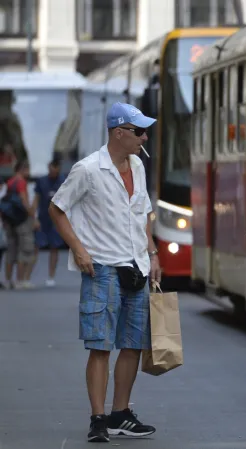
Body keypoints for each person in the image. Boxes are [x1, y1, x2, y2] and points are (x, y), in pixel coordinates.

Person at [49, 102, 162, 443]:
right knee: (100, 347)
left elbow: (142, 212)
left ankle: (120, 413)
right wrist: (79, 250)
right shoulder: (88, 169)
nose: (145, 136)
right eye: (139, 131)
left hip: (137, 266)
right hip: (102, 268)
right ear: (119, 132)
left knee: (132, 345)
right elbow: (57, 209)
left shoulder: (138, 166)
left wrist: (152, 252)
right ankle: (98, 418)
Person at [3, 160, 37, 289]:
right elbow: (24, 200)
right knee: (25, 249)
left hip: (10, 220)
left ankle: (8, 280)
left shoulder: (10, 182)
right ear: (23, 169)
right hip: (22, 220)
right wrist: (31, 214)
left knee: (11, 250)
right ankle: (20, 280)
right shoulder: (21, 182)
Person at [34, 157, 66, 287]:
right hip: (43, 217)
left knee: (54, 247)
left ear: (58, 168)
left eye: (55, 168)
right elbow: (36, 199)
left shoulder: (64, 180)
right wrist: (34, 217)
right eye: (51, 168)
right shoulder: (41, 181)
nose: (53, 171)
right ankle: (26, 276)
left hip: (57, 218)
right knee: (35, 245)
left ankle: (51, 276)